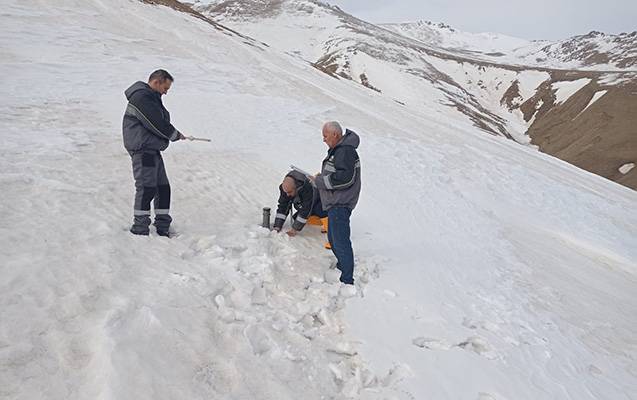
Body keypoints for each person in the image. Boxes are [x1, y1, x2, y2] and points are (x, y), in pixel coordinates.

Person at [122, 69, 186, 237]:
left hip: (152, 149)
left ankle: (162, 226)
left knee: (163, 188)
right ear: (156, 82)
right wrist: (173, 135)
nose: (165, 92)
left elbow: (160, 120)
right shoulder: (141, 98)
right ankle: (140, 228)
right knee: (147, 188)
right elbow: (156, 123)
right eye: (165, 88)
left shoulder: (151, 99)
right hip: (143, 150)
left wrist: (172, 134)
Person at [312, 121, 361, 285]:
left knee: (340, 242)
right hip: (335, 205)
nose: (324, 140)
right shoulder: (340, 151)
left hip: (340, 204)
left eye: (325, 136)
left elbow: (345, 179)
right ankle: (342, 268)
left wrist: (320, 181)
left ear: (335, 134)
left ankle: (347, 280)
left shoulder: (345, 151)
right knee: (334, 240)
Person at [273, 170, 327, 236]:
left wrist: (294, 230)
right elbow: (283, 206)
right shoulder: (286, 188)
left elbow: (305, 210)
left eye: (289, 192)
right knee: (296, 218)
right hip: (308, 205)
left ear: (297, 188)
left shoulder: (308, 188)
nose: (287, 195)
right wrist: (277, 226)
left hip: (321, 204)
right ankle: (317, 219)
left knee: (318, 210)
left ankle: (330, 224)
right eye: (286, 192)